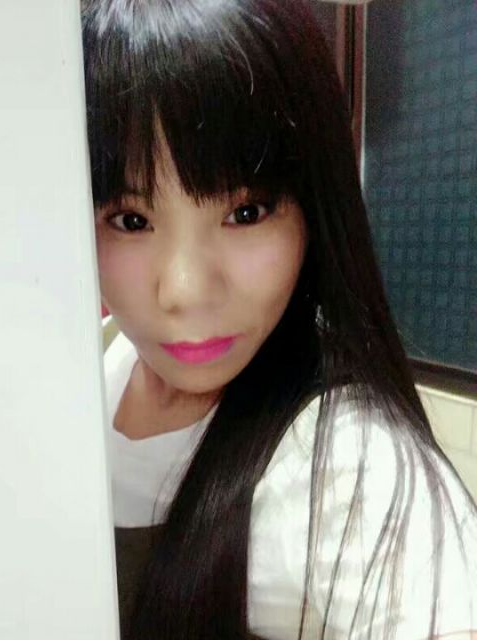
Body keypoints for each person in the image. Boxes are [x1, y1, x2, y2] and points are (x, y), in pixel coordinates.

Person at [82, 1, 477, 638]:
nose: (183, 292)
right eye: (131, 220)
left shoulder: (347, 464)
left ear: (313, 213)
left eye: (246, 213)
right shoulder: (106, 361)